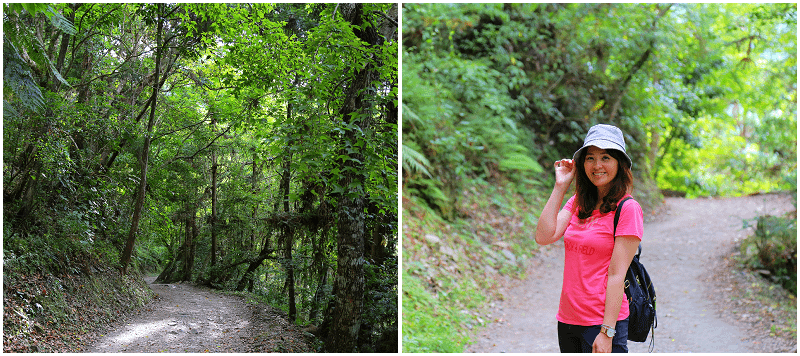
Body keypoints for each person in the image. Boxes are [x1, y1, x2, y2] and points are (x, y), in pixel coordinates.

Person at [534, 124, 644, 353]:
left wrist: (607, 332)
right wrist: (560, 187)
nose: (597, 165)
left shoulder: (628, 209)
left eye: (606, 157)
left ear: (620, 164)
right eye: (590, 158)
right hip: (568, 319)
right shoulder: (577, 202)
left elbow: (617, 274)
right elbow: (544, 236)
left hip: (601, 322)